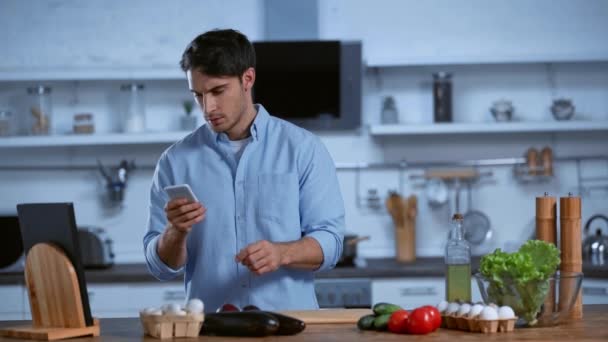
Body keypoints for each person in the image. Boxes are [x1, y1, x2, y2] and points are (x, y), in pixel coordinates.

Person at [143, 29, 345, 313]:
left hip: (289, 327)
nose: (208, 107)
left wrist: (282, 253)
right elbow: (160, 267)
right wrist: (175, 231)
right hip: (211, 329)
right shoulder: (175, 161)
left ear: (247, 79)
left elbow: (332, 243)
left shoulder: (303, 149)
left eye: (217, 91)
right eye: (198, 95)